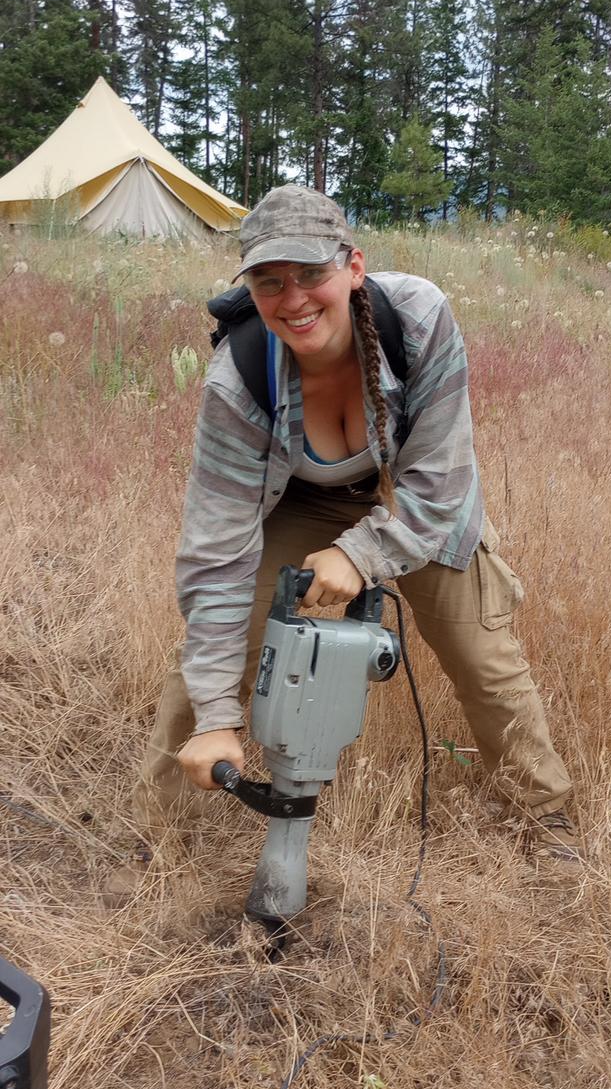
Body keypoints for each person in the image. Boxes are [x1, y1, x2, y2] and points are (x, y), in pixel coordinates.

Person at [136, 186, 582, 866]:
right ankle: (158, 836)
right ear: (249, 288)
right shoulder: (239, 379)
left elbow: (439, 487)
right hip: (302, 503)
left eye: (311, 274)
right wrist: (220, 719)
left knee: (483, 660)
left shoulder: (420, 319)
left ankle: (546, 820)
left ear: (352, 266)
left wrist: (360, 552)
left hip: (409, 501)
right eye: (268, 281)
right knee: (206, 653)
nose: (292, 299)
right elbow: (215, 553)